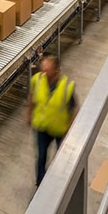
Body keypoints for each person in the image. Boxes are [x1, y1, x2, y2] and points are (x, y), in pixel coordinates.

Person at [28, 54, 76, 186]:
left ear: (56, 71)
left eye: (47, 71)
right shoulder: (37, 80)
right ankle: (40, 184)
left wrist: (69, 128)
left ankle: (59, 185)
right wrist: (29, 115)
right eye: (43, 70)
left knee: (61, 159)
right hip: (42, 127)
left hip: (59, 130)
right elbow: (32, 98)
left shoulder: (66, 87)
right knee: (41, 157)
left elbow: (73, 109)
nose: (44, 73)